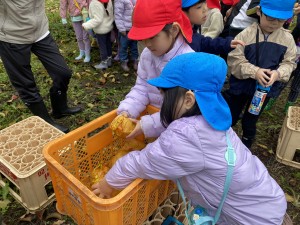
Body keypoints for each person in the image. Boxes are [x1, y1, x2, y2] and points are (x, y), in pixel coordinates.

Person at [92, 52, 287, 225]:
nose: (162, 102)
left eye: (165, 96)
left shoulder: (186, 136)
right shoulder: (209, 120)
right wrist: (145, 125)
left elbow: (142, 162)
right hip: (261, 203)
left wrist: (108, 183)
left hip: (251, 219)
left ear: (188, 99)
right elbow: (179, 122)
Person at [0, 1, 81, 133]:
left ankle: (60, 109)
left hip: (40, 32)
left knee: (63, 73)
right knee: (26, 84)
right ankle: (46, 122)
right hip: (12, 37)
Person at [224, 0, 297, 148]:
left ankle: (246, 144)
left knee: (251, 120)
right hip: (241, 86)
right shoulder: (245, 35)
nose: (274, 23)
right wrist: (254, 71)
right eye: (270, 18)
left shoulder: (287, 39)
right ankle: (222, 140)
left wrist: (278, 74)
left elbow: (290, 63)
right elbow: (234, 61)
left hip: (263, 91)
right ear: (259, 12)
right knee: (230, 115)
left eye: (281, 20)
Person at [117, 0, 194, 139]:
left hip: (176, 134)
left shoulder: (188, 62)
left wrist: (148, 125)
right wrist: (127, 110)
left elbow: (179, 111)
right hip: (151, 123)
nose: (147, 44)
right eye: (143, 38)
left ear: (174, 30)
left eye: (152, 37)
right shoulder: (147, 55)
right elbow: (142, 88)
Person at [82, 0, 114, 69]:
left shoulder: (95, 3)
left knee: (102, 46)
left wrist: (85, 25)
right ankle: (109, 60)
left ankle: (104, 62)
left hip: (101, 29)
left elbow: (97, 20)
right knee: (107, 43)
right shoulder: (108, 1)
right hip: (108, 26)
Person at [114, 0, 139, 71]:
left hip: (134, 28)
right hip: (125, 29)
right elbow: (118, 15)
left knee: (134, 46)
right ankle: (124, 61)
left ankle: (135, 61)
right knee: (123, 46)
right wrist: (121, 29)